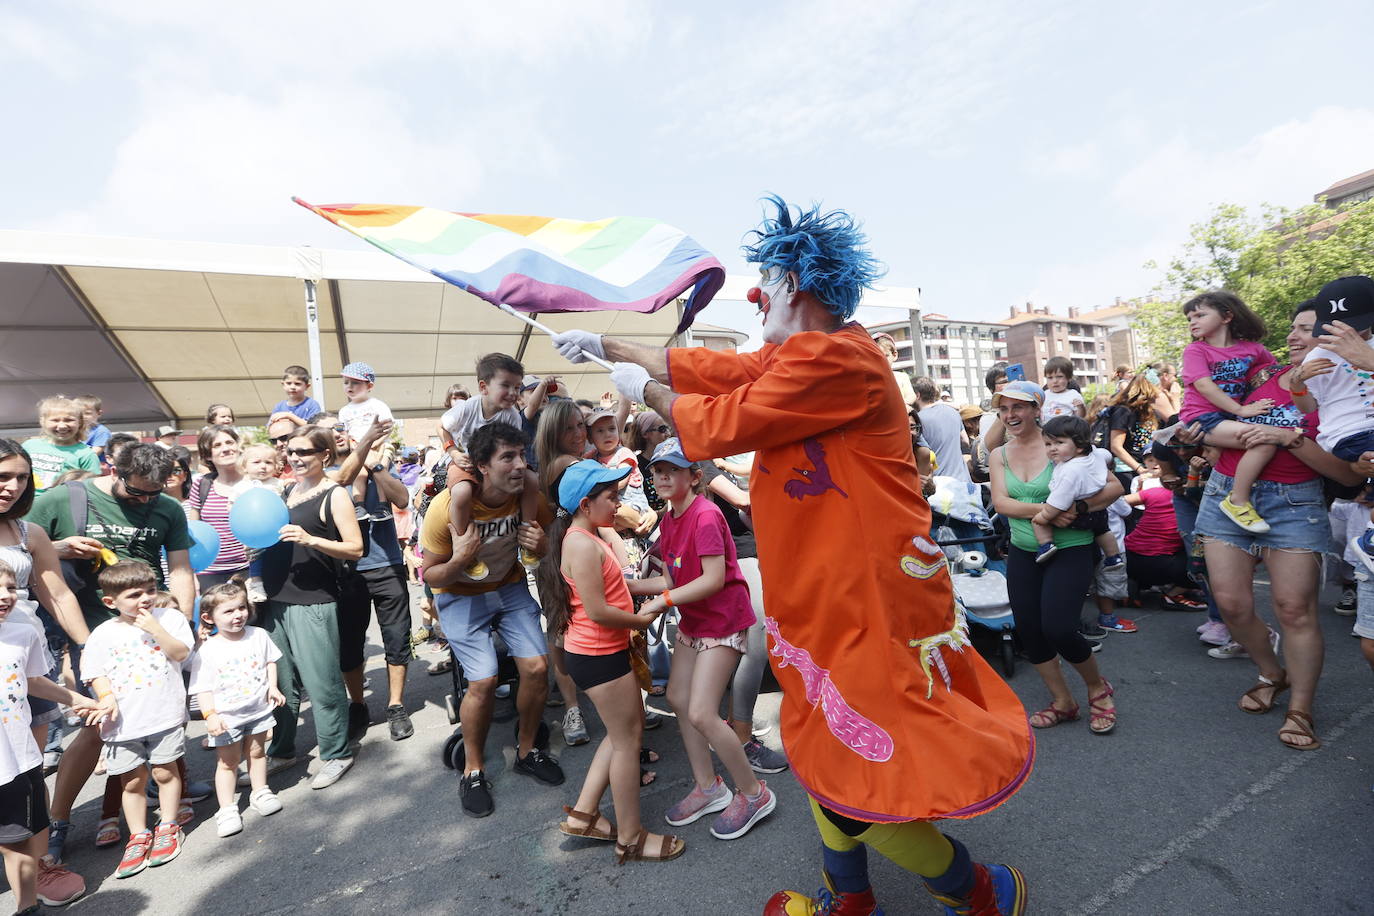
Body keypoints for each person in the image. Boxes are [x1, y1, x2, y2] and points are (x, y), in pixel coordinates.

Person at [553, 196, 1031, 914]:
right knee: (820, 743)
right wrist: (614, 348)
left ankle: (977, 891)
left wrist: (644, 390)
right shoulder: (797, 353)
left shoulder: (840, 356)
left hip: (865, 598)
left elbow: (723, 420)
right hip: (821, 592)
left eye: (766, 281)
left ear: (797, 286)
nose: (756, 294)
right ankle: (853, 896)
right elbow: (724, 370)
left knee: (853, 760)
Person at [1193, 299, 1362, 751]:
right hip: (1227, 492)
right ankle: (1272, 671)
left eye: (1306, 329)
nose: (1292, 336)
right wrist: (1202, 432)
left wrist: (1289, 438)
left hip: (1296, 501)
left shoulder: (1348, 391)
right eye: (1292, 328)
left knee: (1294, 609)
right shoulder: (1258, 374)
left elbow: (1346, 475)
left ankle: (1300, 709)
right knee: (1230, 604)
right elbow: (1208, 417)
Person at [28, 443, 197, 866]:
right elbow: (20, 548)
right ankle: (57, 821)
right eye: (136, 492)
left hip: (151, 629)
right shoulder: (62, 498)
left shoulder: (168, 509)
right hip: (91, 630)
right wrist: (61, 547)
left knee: (157, 715)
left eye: (152, 494)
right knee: (97, 723)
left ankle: (158, 799)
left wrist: (183, 624)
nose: (144, 501)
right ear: (113, 469)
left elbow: (179, 568)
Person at [628, 439, 776, 840]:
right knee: (677, 698)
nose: (661, 476)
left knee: (702, 713)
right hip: (695, 622)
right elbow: (673, 579)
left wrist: (663, 601)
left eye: (672, 470)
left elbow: (711, 580)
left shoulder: (707, 515)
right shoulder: (670, 518)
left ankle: (753, 792)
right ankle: (709, 788)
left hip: (723, 621)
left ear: (695, 477)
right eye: (658, 470)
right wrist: (629, 587)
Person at [543, 460, 683, 864]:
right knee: (628, 742)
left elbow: (618, 586)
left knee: (624, 730)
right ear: (586, 504)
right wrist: (641, 619)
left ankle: (586, 813)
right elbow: (600, 610)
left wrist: (666, 583)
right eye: (612, 497)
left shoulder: (589, 535)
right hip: (598, 655)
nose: (619, 503)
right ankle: (631, 838)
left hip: (598, 653)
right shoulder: (581, 544)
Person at [420, 423, 560, 818]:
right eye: (508, 458)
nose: (520, 466)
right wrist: (461, 560)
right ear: (482, 465)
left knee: (535, 667)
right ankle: (473, 769)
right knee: (482, 681)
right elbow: (430, 577)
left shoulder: (525, 492)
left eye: (522, 456)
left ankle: (528, 750)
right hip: (460, 595)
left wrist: (545, 545)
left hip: (509, 586)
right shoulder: (446, 507)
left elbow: (549, 536)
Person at [989, 380, 1123, 741]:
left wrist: (1076, 507)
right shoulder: (999, 454)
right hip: (1023, 549)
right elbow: (1001, 504)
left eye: (1018, 407)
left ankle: (1097, 688)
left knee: (1060, 627)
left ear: (1037, 409)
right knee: (1030, 631)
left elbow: (1114, 488)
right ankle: (1063, 701)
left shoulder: (1064, 445)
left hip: (1071, 548)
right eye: (1003, 409)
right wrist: (1048, 510)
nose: (1010, 415)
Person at [255, 426, 363, 790]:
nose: (295, 458)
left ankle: (336, 753)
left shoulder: (335, 495)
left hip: (314, 600)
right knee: (280, 683)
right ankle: (283, 750)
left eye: (305, 452)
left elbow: (355, 548)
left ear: (325, 457)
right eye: (291, 451)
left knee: (322, 682)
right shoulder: (287, 491)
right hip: (276, 600)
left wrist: (310, 538)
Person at [81, 560, 193, 878]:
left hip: (164, 714)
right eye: (133, 595)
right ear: (110, 602)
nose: (144, 599)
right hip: (123, 724)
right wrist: (106, 696)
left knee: (164, 771)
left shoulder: (168, 618)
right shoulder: (102, 634)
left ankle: (169, 826)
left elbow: (182, 654)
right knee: (131, 781)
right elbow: (94, 673)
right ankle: (139, 835)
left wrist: (156, 630)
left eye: (150, 591)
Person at [0, 559, 98, 911]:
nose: (5, 596)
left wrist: (78, 699)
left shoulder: (22, 633)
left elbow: (34, 681)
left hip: (16, 760)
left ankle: (26, 907)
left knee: (18, 842)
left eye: (11, 588)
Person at [1175, 291, 1280, 534]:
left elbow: (1275, 374)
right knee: (1263, 440)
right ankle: (1238, 502)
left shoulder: (1253, 349)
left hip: (1233, 417)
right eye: (1189, 318)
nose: (1193, 321)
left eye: (1200, 314)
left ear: (1227, 316)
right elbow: (1203, 385)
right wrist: (1240, 408)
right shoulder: (1196, 351)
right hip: (1202, 417)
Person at [188, 581, 285, 838]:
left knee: (257, 752)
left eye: (241, 608)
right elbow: (203, 688)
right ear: (209, 618)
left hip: (258, 710)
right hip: (227, 717)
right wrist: (210, 715)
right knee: (228, 762)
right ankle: (228, 808)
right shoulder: (208, 649)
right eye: (228, 611)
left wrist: (272, 688)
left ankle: (260, 791)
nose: (238, 615)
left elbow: (269, 662)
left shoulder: (258, 635)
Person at [535, 399, 606, 746]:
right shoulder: (567, 463)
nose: (579, 433)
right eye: (569, 427)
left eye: (581, 425)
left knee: (566, 627)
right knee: (567, 629)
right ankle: (575, 706)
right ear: (553, 432)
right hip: (565, 552)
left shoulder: (562, 462)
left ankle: (579, 705)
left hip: (565, 551)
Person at [1292, 276, 1374, 565]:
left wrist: (1369, 360)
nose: (1346, 331)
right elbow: (1308, 406)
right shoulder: (1319, 355)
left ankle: (1369, 540)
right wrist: (1297, 384)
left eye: (1355, 322)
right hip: (1348, 435)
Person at [440, 354, 541, 562]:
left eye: (517, 387)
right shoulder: (468, 407)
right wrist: (454, 453)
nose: (514, 393)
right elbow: (442, 427)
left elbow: (514, 446)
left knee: (532, 481)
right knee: (461, 492)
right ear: (484, 387)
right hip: (466, 460)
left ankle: (527, 535)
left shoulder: (512, 415)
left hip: (496, 465)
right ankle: (463, 546)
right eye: (506, 385)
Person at [1030, 416, 1122, 568]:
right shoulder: (1094, 454)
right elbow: (1106, 455)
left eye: (1059, 443)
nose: (1052, 448)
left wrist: (1045, 516)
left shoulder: (1070, 470)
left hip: (1077, 515)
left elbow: (1060, 499)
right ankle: (1113, 557)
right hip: (1099, 511)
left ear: (1079, 446)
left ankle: (1046, 544)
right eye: (1048, 444)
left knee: (1037, 520)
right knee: (1103, 531)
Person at [186, 425, 250, 591]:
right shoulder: (201, 484)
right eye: (217, 445)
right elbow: (194, 531)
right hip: (209, 574)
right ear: (208, 455)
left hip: (249, 572)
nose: (226, 449)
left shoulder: (254, 483)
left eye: (230, 442)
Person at [23, 397, 99, 493]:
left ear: (79, 422)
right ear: (43, 421)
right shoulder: (29, 446)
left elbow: (93, 487)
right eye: (55, 420)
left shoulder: (86, 455)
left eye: (69, 420)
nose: (62, 426)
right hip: (25, 503)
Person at [1103, 374, 1160, 490]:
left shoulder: (1149, 411)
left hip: (1147, 466)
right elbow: (1116, 447)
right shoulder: (1123, 411)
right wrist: (1139, 469)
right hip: (1126, 470)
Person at [912, 376, 970, 483]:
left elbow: (923, 455)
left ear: (917, 395)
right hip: (963, 482)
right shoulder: (953, 412)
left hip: (938, 487)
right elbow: (965, 441)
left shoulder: (917, 421)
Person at [337, 361, 393, 444]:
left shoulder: (378, 405)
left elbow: (388, 427)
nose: (349, 386)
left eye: (355, 382)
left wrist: (375, 445)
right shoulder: (343, 411)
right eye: (346, 382)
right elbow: (341, 432)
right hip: (356, 450)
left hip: (379, 447)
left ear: (369, 386)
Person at [74, 395, 111, 465]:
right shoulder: (74, 430)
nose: (82, 417)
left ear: (99, 413)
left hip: (96, 469)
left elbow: (94, 453)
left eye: (87, 413)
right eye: (79, 413)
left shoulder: (101, 431)